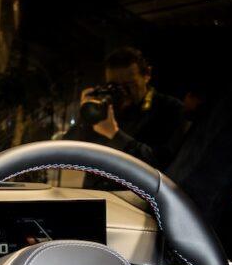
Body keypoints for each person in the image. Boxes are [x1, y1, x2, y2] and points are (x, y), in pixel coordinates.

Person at [65, 47, 186, 189]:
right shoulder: (105, 107)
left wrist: (115, 134)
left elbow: (159, 165)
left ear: (147, 75)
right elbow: (69, 150)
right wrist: (86, 115)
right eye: (114, 86)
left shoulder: (169, 108)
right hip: (95, 193)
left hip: (137, 196)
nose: (123, 92)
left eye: (129, 85)